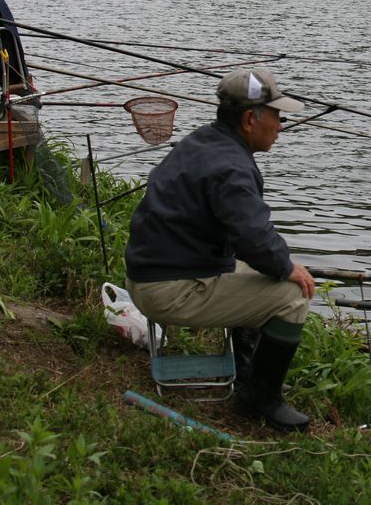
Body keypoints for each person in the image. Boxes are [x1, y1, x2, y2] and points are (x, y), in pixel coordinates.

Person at [125, 67, 315, 431]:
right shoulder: (231, 167)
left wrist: (276, 262)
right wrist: (288, 266)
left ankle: (248, 373)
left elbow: (249, 239)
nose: (281, 125)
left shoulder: (204, 141)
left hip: (151, 274)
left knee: (265, 271)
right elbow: (255, 238)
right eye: (276, 115)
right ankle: (261, 399)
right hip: (168, 289)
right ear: (249, 120)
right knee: (293, 294)